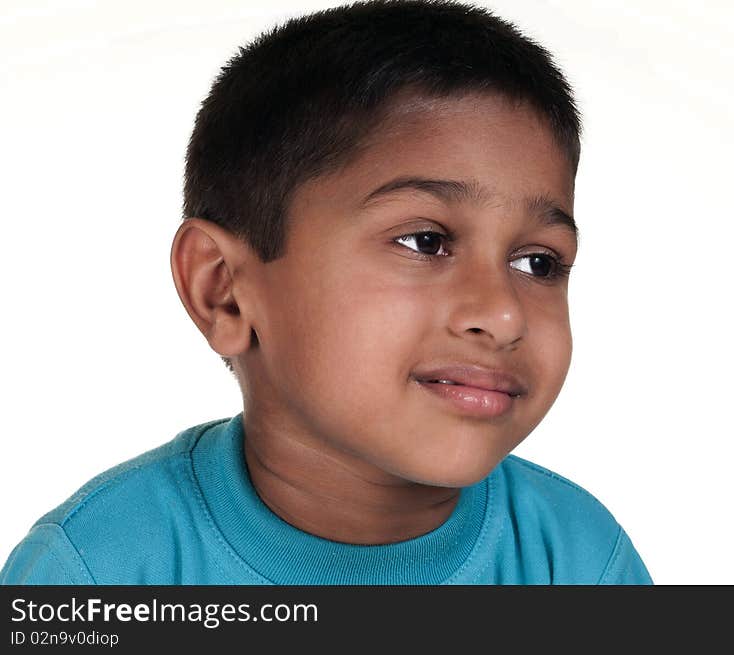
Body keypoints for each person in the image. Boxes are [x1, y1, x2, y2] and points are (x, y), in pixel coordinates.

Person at [1, 0, 652, 584]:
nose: (502, 312)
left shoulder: (579, 562)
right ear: (224, 290)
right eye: (425, 241)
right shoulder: (96, 572)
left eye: (538, 261)